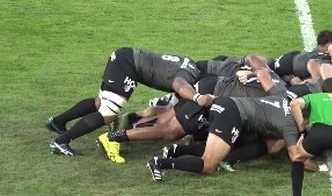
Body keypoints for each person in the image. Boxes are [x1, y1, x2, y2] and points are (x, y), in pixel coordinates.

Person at [45, 48, 212, 157]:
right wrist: (197, 98)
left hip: (125, 58)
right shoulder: (190, 74)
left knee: (100, 103)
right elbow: (180, 86)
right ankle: (61, 142)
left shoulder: (191, 66)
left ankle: (57, 122)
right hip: (128, 65)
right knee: (108, 113)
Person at [145, 94, 300, 181]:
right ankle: (160, 163)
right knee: (208, 165)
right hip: (232, 115)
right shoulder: (289, 125)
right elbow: (296, 157)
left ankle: (175, 151)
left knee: (218, 150)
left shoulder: (283, 99)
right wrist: (320, 167)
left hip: (227, 103)